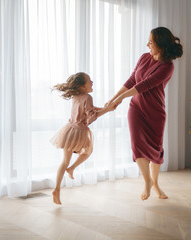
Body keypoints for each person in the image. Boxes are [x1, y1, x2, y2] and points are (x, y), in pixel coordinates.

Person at [106, 27, 183, 200]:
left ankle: (155, 183)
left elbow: (143, 86)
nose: (147, 43)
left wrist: (119, 100)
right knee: (137, 145)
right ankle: (147, 181)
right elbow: (132, 80)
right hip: (136, 109)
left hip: (155, 111)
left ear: (161, 44)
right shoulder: (144, 57)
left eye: (151, 41)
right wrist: (114, 98)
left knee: (156, 150)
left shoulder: (167, 66)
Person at [51, 72, 114, 204]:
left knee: (64, 161)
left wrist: (104, 108)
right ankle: (72, 168)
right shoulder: (87, 97)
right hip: (79, 131)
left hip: (69, 129)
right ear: (82, 86)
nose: (92, 82)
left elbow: (88, 109)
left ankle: (56, 189)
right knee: (88, 152)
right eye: (89, 80)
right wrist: (107, 110)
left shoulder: (76, 96)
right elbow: (91, 116)